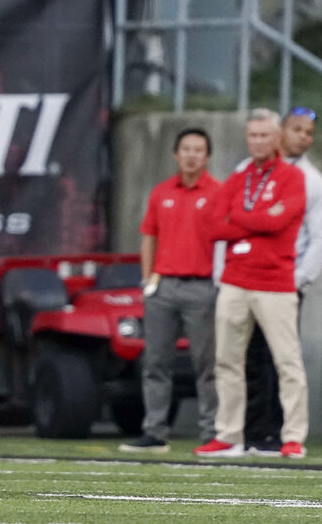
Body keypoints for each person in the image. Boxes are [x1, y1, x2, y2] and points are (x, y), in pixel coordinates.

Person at [194, 108, 309, 459]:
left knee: (286, 361)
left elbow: (281, 221)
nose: (258, 141)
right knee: (226, 360)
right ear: (247, 138)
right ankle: (228, 435)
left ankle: (293, 437)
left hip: (275, 282)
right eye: (253, 135)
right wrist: (256, 220)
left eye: (265, 135)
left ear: (278, 137)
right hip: (234, 280)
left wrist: (239, 220)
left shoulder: (292, 177)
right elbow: (212, 224)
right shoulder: (239, 178)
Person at [119, 128, 220, 454]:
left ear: (207, 157)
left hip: (202, 287)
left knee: (208, 365)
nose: (192, 155)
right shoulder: (161, 192)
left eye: (198, 150)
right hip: (163, 288)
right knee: (155, 362)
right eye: (186, 149)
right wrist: (148, 281)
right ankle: (154, 431)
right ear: (176, 155)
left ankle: (212, 432)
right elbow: (149, 236)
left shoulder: (218, 193)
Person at [243, 106, 322, 456]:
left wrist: (299, 279)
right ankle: (252, 433)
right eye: (297, 129)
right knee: (247, 356)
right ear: (280, 133)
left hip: (284, 280)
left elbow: (318, 238)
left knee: (283, 359)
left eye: (309, 132)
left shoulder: (311, 179)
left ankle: (283, 434)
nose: (303, 137)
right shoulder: (250, 172)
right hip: (247, 278)